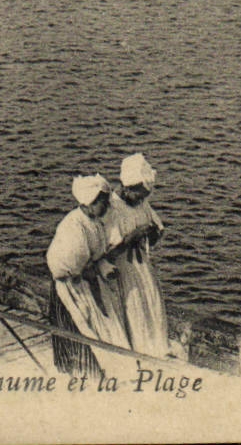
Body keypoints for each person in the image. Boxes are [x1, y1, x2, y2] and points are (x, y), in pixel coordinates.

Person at [46, 173, 130, 376]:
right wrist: (91, 270)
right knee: (81, 327)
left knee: (102, 326)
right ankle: (82, 372)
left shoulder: (94, 222)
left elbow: (97, 254)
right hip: (72, 287)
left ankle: (108, 368)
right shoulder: (74, 226)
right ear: (90, 202)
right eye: (103, 202)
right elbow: (68, 263)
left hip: (88, 281)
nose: (108, 206)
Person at [102, 153, 170, 357]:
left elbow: (156, 230)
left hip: (142, 268)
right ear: (126, 187)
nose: (142, 199)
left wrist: (153, 233)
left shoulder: (140, 204)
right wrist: (131, 237)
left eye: (144, 195)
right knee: (134, 310)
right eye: (139, 194)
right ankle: (137, 352)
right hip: (123, 270)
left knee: (152, 305)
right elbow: (106, 252)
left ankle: (157, 351)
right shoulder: (112, 209)